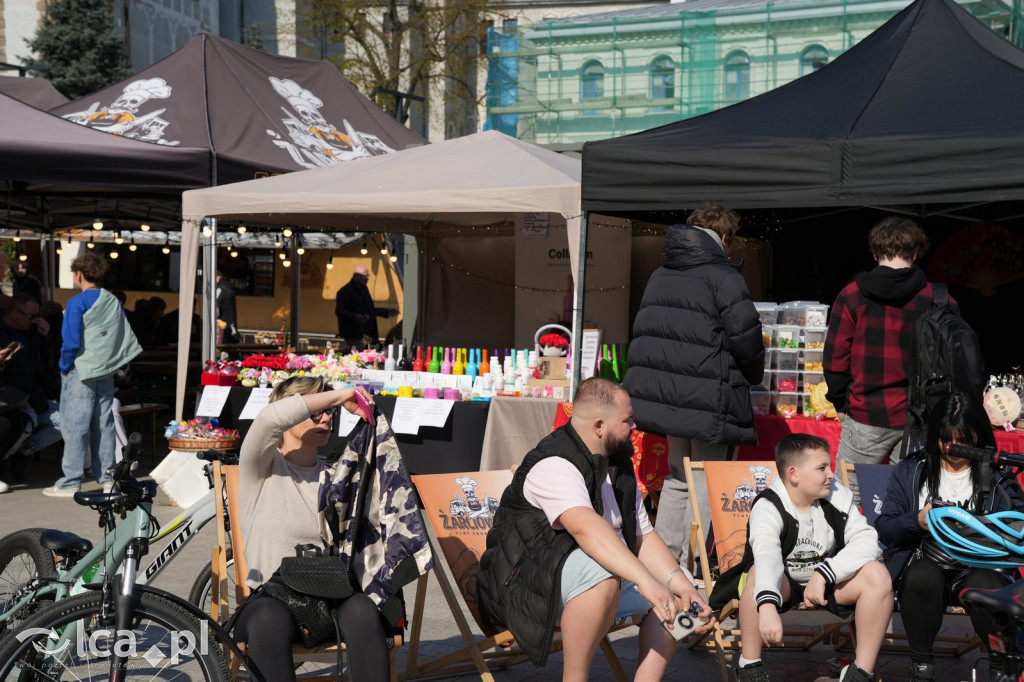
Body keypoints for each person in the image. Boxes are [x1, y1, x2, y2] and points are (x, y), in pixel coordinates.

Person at [478, 378, 715, 681]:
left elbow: (643, 535)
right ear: (600, 425)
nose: (635, 426)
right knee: (604, 578)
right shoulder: (555, 462)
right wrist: (645, 581)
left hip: (584, 578)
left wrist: (683, 587)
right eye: (627, 420)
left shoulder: (617, 461)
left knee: (678, 598)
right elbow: (586, 529)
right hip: (523, 585)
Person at [622, 203, 764, 566]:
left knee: (677, 477)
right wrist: (755, 375)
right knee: (706, 479)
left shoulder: (661, 274)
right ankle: (695, 563)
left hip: (669, 398)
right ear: (725, 238)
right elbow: (746, 338)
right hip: (710, 397)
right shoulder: (723, 276)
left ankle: (665, 563)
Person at [233, 376, 396, 681]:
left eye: (330, 413)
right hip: (273, 597)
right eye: (316, 411)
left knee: (363, 611)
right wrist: (342, 395)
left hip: (331, 593)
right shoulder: (260, 468)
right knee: (268, 619)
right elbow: (269, 419)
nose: (327, 418)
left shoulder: (337, 474)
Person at [875, 392, 1022, 681]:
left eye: (963, 440)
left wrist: (984, 527)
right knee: (921, 576)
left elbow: (1018, 525)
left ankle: (1001, 667)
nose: (952, 448)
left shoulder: (998, 474)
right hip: (926, 560)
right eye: (945, 439)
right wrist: (917, 521)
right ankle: (921, 667)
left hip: (980, 565)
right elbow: (886, 528)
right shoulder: (912, 469)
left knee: (988, 584)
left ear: (978, 436)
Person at [733, 434, 892, 682]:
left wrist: (825, 573)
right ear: (794, 474)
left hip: (826, 583)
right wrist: (767, 606)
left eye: (830, 466)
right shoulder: (768, 505)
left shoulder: (836, 495)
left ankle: (861, 672)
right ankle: (749, 666)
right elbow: (767, 555)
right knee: (756, 574)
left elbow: (867, 539)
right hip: (783, 583)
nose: (831, 474)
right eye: (822, 468)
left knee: (877, 575)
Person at [824, 216, 944, 479]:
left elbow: (835, 360)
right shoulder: (938, 300)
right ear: (915, 253)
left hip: (866, 413)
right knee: (908, 494)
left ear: (875, 253)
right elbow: (951, 363)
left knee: (848, 494)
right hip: (919, 416)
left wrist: (841, 402)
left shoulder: (851, 296)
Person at [43, 253, 142, 497]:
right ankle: (108, 480)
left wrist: (64, 368)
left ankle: (71, 481)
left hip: (81, 370)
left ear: (79, 274)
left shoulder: (77, 302)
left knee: (75, 425)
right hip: (106, 370)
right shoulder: (112, 300)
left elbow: (71, 341)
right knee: (104, 425)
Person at [0, 294, 60, 465]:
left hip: (36, 396)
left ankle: (23, 453)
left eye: (38, 315)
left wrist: (46, 338)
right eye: (31, 316)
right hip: (10, 398)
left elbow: (50, 365)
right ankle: (6, 460)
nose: (34, 320)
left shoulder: (32, 332)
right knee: (26, 422)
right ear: (15, 312)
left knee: (69, 422)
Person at [335, 265, 395, 350]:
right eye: (364, 276)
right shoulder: (346, 291)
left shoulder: (364, 289)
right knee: (360, 354)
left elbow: (369, 309)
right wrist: (355, 317)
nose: (367, 278)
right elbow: (340, 311)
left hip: (366, 333)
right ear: (356, 276)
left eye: (368, 276)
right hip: (353, 334)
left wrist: (385, 311)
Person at [216, 271, 240, 344]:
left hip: (221, 326)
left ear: (218, 278)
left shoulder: (220, 289)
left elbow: (216, 309)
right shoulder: (230, 289)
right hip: (231, 325)